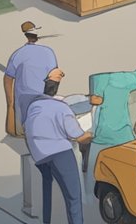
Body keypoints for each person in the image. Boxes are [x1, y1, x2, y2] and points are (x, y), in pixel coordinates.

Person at [24, 69, 91, 224]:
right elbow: (78, 136)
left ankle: (46, 221)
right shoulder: (62, 108)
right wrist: (92, 135)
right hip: (59, 153)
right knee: (73, 197)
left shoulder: (34, 106)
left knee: (47, 191)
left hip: (39, 154)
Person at [86, 61, 136, 181]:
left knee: (95, 179)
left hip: (99, 139)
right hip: (121, 138)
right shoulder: (121, 80)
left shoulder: (96, 79)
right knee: (127, 178)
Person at [4, 21, 58, 137]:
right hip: (43, 100)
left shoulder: (18, 54)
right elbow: (54, 76)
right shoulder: (49, 52)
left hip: (24, 102)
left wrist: (10, 103)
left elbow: (8, 79)